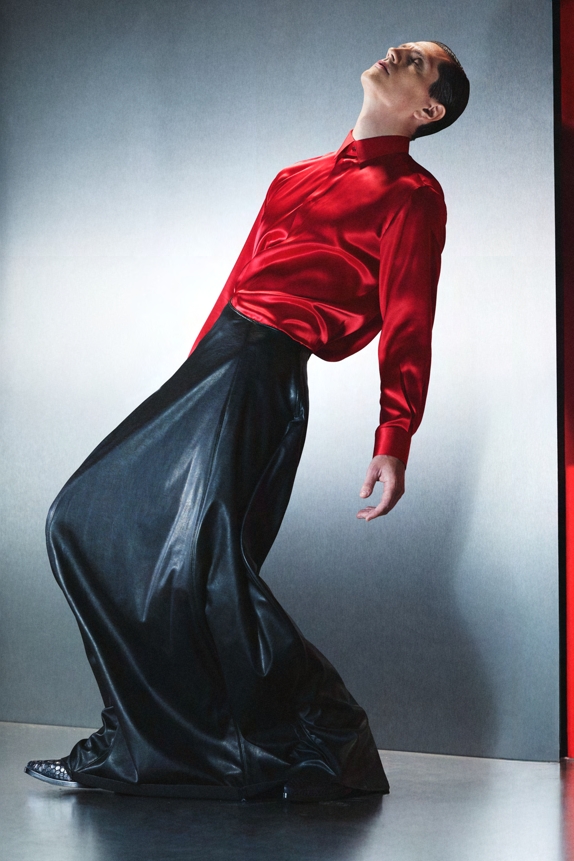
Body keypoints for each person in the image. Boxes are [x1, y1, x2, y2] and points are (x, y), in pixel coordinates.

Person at [25, 41, 469, 802]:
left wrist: (393, 436)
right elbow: (235, 286)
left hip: (263, 375)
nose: (398, 52)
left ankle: (328, 736)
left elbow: (408, 322)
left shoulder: (413, 196)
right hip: (217, 367)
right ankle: (152, 742)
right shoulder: (292, 178)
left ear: (429, 109)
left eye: (419, 62)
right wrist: (187, 382)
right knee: (86, 522)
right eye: (404, 48)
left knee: (208, 567)